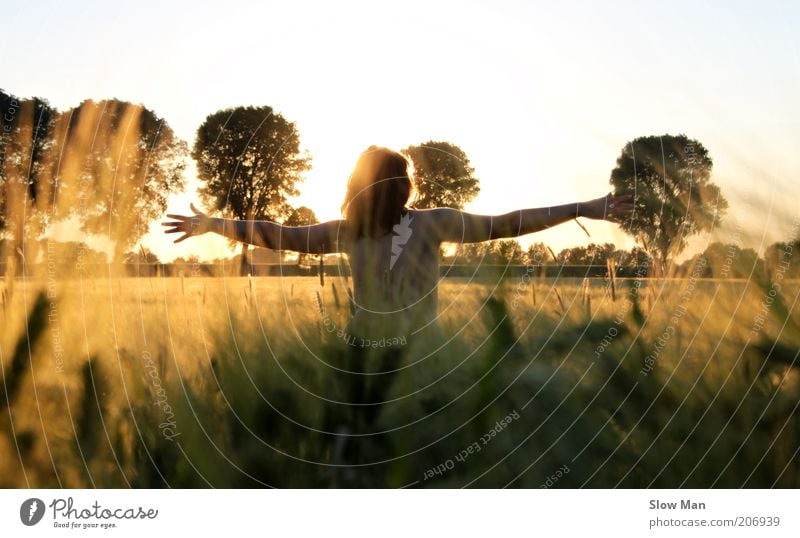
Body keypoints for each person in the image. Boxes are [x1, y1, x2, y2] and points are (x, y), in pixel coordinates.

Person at [163, 145, 632, 342]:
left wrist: (213, 224)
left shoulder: (345, 233)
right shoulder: (429, 225)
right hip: (409, 357)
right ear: (403, 188)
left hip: (375, 356)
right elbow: (506, 225)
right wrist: (580, 208)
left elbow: (274, 234)